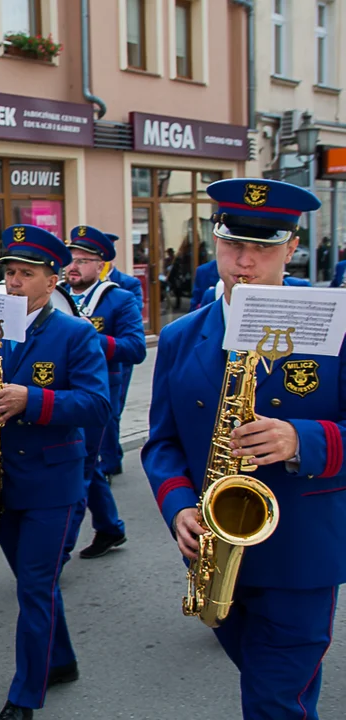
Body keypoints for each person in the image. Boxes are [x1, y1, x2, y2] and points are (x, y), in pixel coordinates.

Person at [143, 178, 344, 720]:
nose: (244, 262)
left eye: (263, 247)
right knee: (264, 686)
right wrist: (179, 504)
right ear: (215, 240)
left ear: (293, 248)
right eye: (233, 245)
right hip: (216, 549)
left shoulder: (337, 326)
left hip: (302, 554)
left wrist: (301, 438)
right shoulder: (184, 335)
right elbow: (160, 441)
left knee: (274, 700)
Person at [0, 226, 110, 720]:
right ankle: (59, 660)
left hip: (52, 483)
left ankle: (25, 695)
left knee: (36, 585)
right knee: (30, 579)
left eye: (27, 274)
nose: (15, 282)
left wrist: (32, 400)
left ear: (52, 280)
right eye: (9, 273)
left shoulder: (76, 334)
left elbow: (98, 405)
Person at [60, 227, 146, 561]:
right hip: (65, 393)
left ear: (100, 265)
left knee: (80, 468)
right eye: (70, 260)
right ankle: (110, 527)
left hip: (98, 394)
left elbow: (135, 348)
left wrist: (84, 338)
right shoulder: (60, 295)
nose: (74, 267)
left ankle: (59, 551)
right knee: (88, 464)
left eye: (83, 261)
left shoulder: (117, 299)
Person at [100, 233, 146, 477]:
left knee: (113, 410)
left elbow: (133, 317)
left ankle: (109, 461)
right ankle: (108, 455)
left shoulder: (126, 285)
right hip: (91, 361)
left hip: (117, 359)